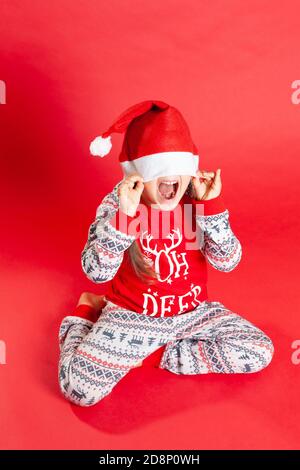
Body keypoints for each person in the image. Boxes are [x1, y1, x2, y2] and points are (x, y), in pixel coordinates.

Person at [58, 100, 274, 407]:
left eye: (177, 169)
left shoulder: (197, 199)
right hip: (134, 316)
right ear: (136, 173)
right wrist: (125, 217)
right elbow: (96, 272)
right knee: (79, 390)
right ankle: (88, 311)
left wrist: (210, 207)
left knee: (258, 350)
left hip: (193, 313)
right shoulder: (119, 203)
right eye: (158, 169)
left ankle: (154, 354)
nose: (171, 178)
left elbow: (228, 261)